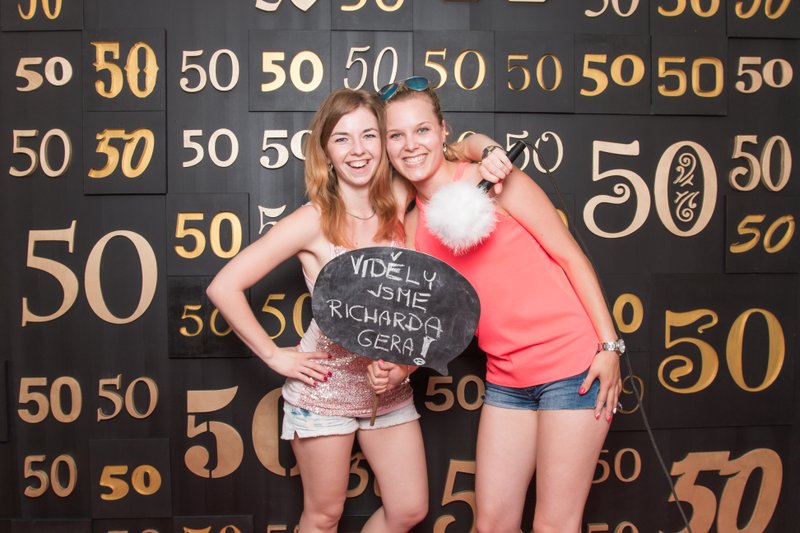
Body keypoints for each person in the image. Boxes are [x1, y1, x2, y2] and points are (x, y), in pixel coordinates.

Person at [370, 77, 623, 533]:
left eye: (422, 130)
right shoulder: (412, 228)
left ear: (443, 131)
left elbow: (570, 256)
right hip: (507, 379)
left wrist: (609, 347)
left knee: (554, 525)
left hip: (574, 369)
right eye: (396, 135)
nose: (411, 145)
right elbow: (433, 324)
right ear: (386, 146)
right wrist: (398, 369)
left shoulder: (495, 181)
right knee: (492, 524)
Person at [206, 88, 428, 533]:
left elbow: (454, 150)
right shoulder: (312, 221)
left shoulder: (401, 199)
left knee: (409, 509)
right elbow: (223, 286)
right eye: (342, 139)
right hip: (324, 392)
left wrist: (490, 151)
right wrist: (275, 356)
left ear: (385, 142)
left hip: (387, 387)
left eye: (369, 135)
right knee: (324, 517)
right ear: (325, 151)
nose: (358, 150)